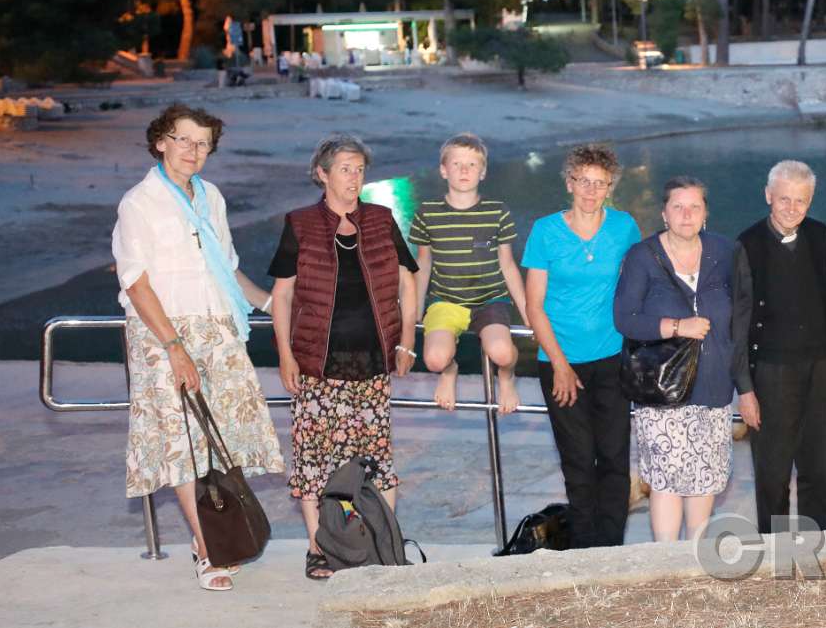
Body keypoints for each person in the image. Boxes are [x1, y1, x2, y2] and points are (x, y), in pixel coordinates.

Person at [112, 103, 283, 591]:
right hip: (164, 335)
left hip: (217, 327)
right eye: (183, 139)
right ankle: (208, 551)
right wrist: (173, 346)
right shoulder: (139, 203)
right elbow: (137, 283)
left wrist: (274, 304)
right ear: (161, 141)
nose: (192, 150)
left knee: (217, 439)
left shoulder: (212, 198)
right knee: (182, 442)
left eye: (202, 143)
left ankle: (209, 536)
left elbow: (225, 268)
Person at [268, 133, 419, 580]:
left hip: (373, 361)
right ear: (322, 173)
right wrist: (285, 355)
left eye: (359, 169)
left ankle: (382, 543)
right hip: (317, 363)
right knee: (316, 461)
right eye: (345, 169)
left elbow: (407, 281)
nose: (354, 178)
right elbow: (282, 295)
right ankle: (320, 548)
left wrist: (406, 340)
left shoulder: (381, 218)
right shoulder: (299, 223)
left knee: (376, 458)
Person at [615, 177, 752, 541]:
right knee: (666, 481)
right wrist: (676, 326)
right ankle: (666, 561)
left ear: (706, 212)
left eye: (694, 206)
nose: (686, 214)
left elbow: (743, 315)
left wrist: (745, 383)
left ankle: (695, 557)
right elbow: (625, 319)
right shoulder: (643, 256)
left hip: (713, 386)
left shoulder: (725, 252)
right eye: (678, 206)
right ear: (664, 213)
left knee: (705, 477)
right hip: (663, 391)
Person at [521, 144, 642, 548]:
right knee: (578, 460)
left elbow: (641, 284)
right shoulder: (545, 231)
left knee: (613, 458)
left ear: (611, 186)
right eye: (583, 181)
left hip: (612, 359)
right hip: (560, 363)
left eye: (600, 184)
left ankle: (611, 546)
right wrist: (559, 363)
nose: (591, 191)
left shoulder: (624, 228)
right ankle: (584, 550)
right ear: (569, 182)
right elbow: (534, 306)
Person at [731, 160, 826, 533]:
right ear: (768, 196)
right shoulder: (746, 244)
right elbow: (739, 322)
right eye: (784, 199)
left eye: (801, 201)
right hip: (770, 371)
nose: (792, 208)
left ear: (810, 201)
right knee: (772, 470)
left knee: (816, 467)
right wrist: (745, 390)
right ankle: (774, 551)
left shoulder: (820, 235)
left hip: (818, 366)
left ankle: (817, 546)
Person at [410, 133, 526, 414]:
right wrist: (414, 309)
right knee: (436, 359)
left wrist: (526, 310)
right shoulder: (427, 213)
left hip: (490, 299)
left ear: (483, 172)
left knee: (502, 352)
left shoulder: (497, 212)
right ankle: (450, 372)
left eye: (472, 165)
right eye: (457, 164)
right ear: (443, 169)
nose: (464, 171)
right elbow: (423, 265)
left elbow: (508, 265)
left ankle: (506, 377)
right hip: (445, 300)